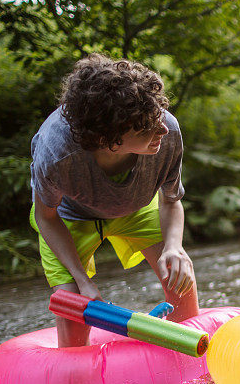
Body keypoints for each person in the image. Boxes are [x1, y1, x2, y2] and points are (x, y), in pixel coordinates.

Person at [30, 54, 197, 347]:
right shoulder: (57, 155)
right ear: (111, 142)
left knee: (181, 277)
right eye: (147, 128)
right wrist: (82, 280)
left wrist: (174, 246)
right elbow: (46, 216)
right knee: (74, 304)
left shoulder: (167, 132)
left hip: (137, 205)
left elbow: (170, 200)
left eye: (158, 117)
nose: (164, 130)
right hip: (70, 216)